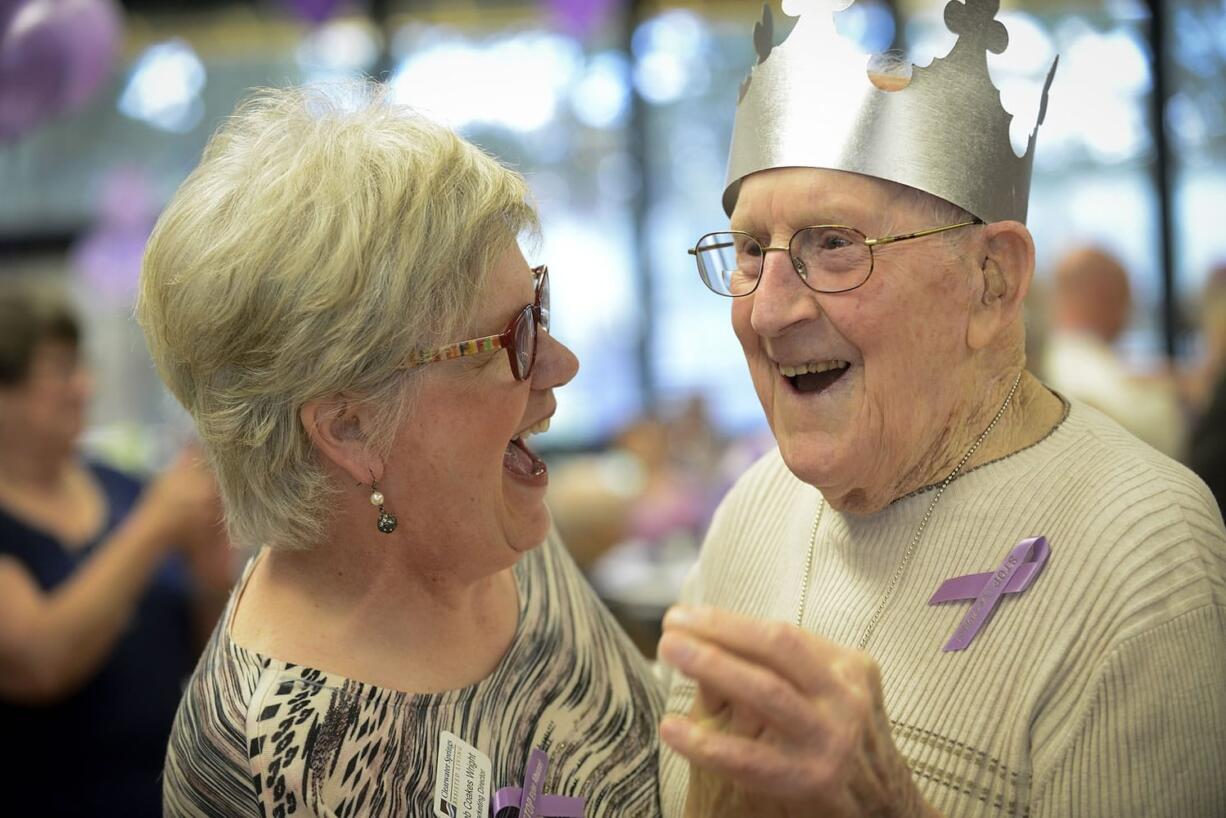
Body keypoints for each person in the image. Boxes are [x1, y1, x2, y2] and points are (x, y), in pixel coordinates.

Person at [655, 2, 1226, 817]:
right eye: (751, 250)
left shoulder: (1143, 553)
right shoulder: (754, 510)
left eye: (833, 244)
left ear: (992, 282)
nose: (767, 311)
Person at [138, 83, 662, 817]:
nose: (560, 363)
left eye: (535, 309)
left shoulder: (484, 528)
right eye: (511, 340)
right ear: (351, 428)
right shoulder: (276, 763)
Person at [0, 280, 230, 818]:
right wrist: (154, 529)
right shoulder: (148, 510)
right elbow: (38, 662)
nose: (84, 386)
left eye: (79, 366)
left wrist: (210, 565)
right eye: (57, 370)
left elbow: (207, 651)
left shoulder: (124, 486)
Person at [1043, 246, 1185, 457]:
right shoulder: (1078, 366)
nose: (1129, 309)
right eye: (1125, 296)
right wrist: (1173, 397)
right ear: (1102, 294)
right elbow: (1154, 434)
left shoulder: (1065, 355)